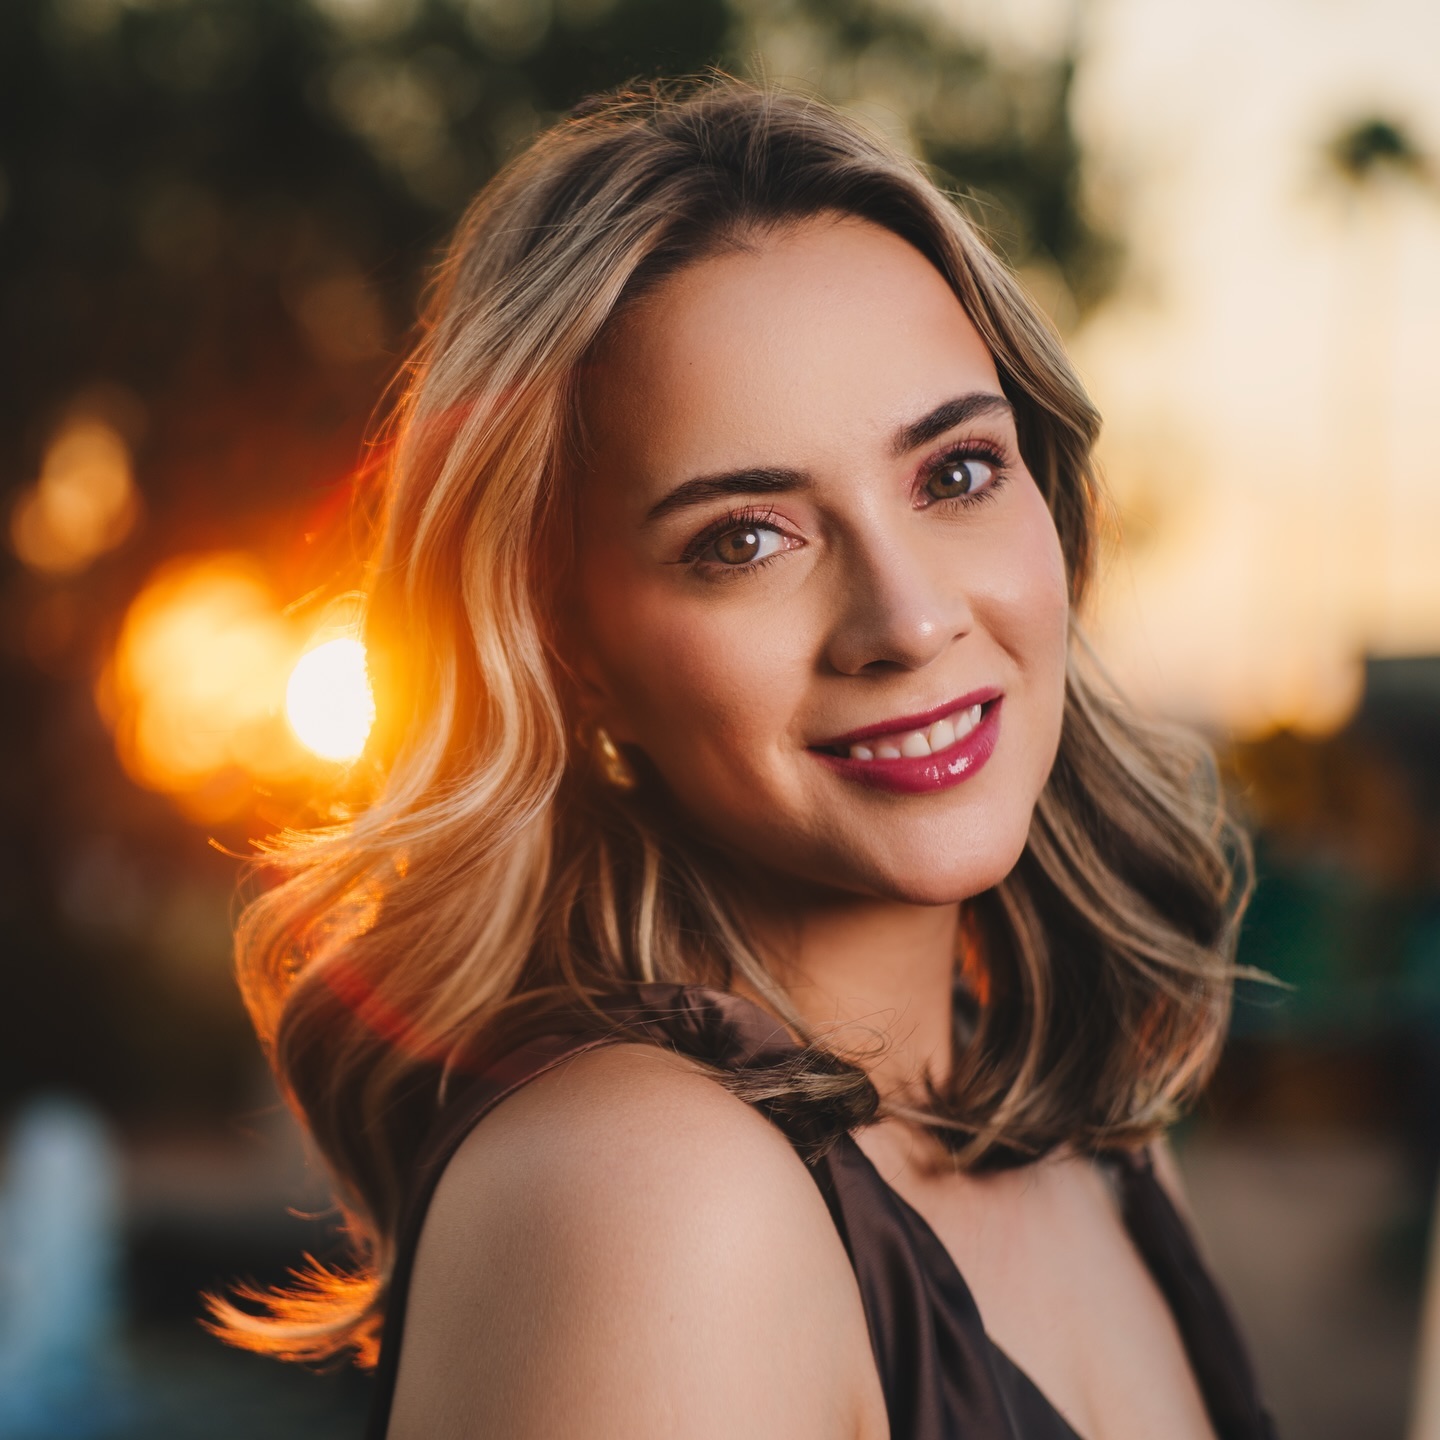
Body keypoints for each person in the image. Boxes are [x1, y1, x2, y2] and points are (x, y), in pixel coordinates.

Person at [211, 80, 1274, 1439]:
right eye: (746, 539)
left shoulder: (1101, 1143)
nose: (909, 619)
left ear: (1050, 504)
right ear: (567, 647)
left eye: (953, 473)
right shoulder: (650, 1199)